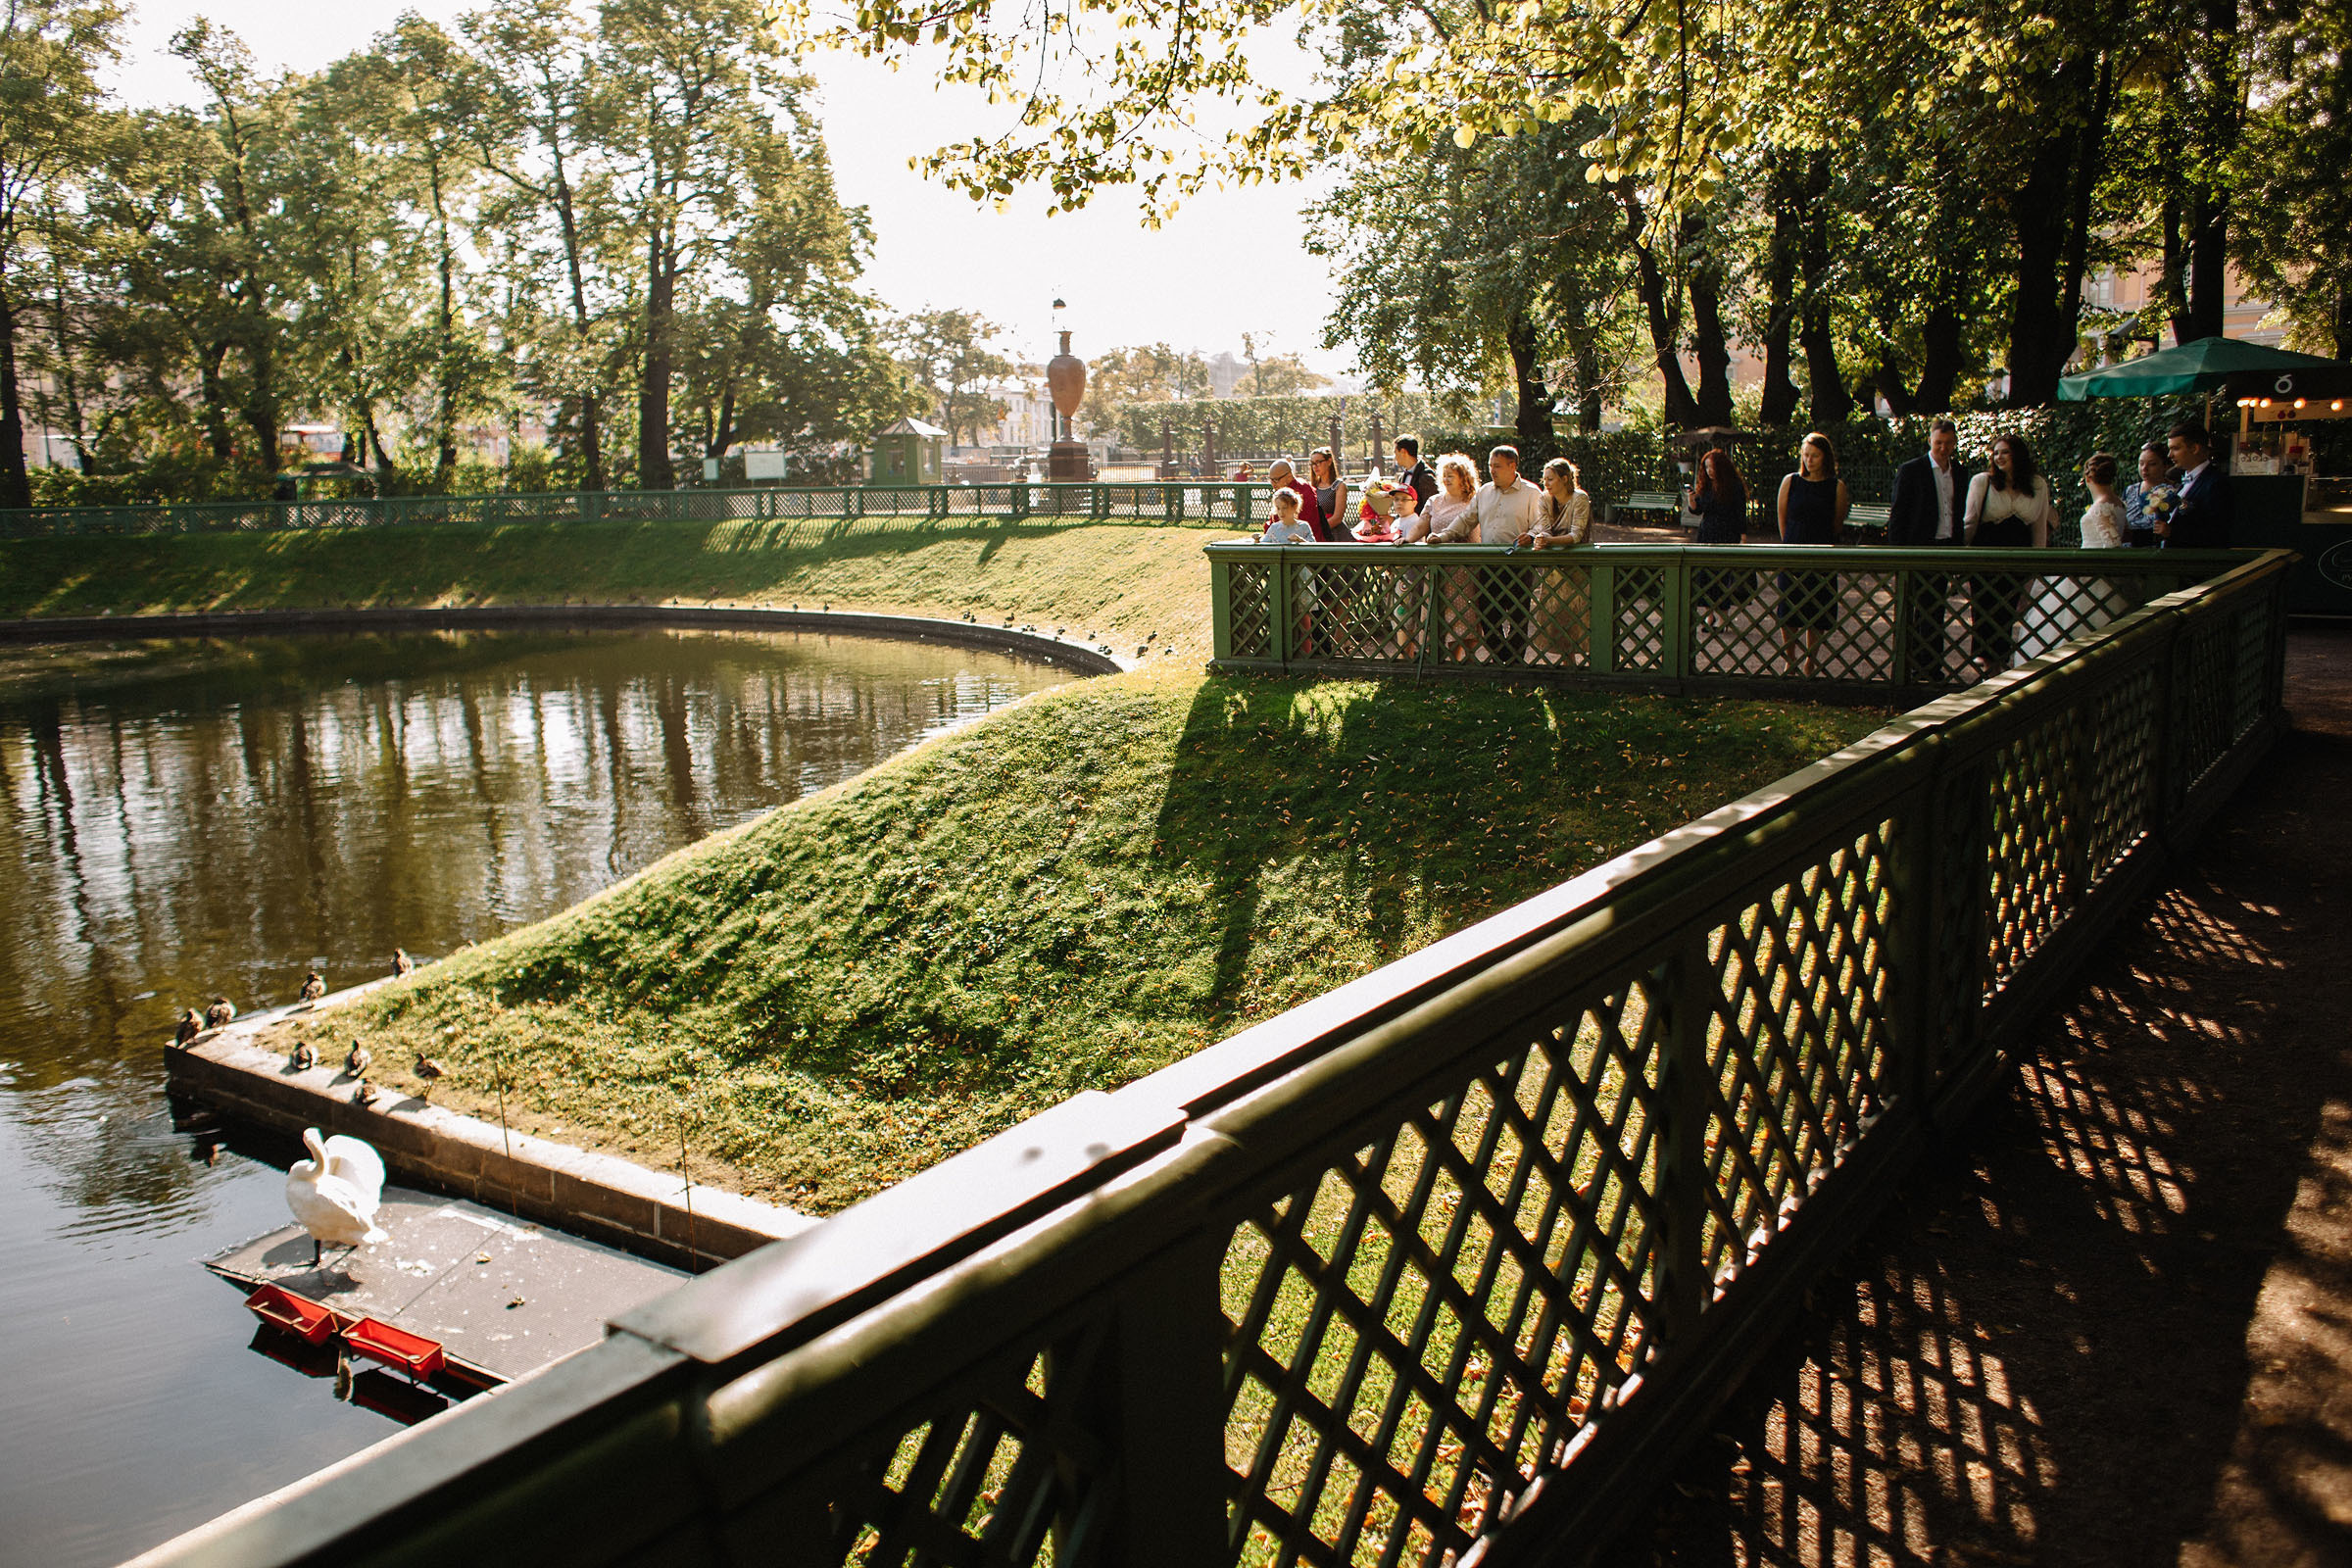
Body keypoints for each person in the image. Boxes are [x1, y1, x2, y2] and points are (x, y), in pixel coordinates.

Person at [1433, 445, 1547, 662]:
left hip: (1518, 564)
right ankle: (1501, 660)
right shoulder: (1484, 492)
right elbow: (1466, 519)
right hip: (1489, 564)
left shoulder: (1531, 493)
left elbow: (1541, 524)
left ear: (1512, 466)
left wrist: (1531, 536)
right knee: (1488, 616)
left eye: (1497, 466)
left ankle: (1513, 664)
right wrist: (1444, 536)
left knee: (1518, 617)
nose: (1492, 470)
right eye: (1490, 466)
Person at [1886, 418, 1972, 684]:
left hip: (1946, 546)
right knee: (1917, 608)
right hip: (1918, 547)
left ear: (1955, 443)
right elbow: (1898, 514)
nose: (1943, 449)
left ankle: (1930, 665)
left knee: (1935, 608)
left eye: (1948, 443)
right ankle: (1915, 666)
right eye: (1938, 443)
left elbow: (1959, 511)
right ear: (1930, 441)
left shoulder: (1960, 472)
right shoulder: (1912, 470)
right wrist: (1896, 554)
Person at [1963, 430, 2055, 671]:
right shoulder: (1983, 481)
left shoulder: (2037, 485)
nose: (1999, 457)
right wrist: (1962, 553)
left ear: (2018, 455)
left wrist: (2037, 561)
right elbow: (1970, 521)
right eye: (1996, 453)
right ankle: (1985, 662)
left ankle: (2000, 660)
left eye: (2005, 452)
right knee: (1984, 606)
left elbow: (2039, 526)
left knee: (2008, 607)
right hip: (1987, 551)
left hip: (2018, 552)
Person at [1775, 431, 1849, 676]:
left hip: (1821, 552)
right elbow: (1782, 518)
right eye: (1806, 455)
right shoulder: (1791, 481)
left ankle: (1810, 660)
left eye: (1814, 456)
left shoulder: (1836, 487)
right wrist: (1789, 544)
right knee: (1788, 610)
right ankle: (1790, 659)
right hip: (1793, 551)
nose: (1809, 460)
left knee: (1817, 610)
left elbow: (1837, 523)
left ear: (1825, 457)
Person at [1522, 457, 1592, 664]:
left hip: (1578, 566)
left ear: (1565, 479)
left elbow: (1576, 535)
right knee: (1558, 618)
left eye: (1551, 479)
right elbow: (1545, 529)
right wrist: (1542, 538)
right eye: (1544, 479)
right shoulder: (1545, 499)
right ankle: (1567, 666)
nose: (1546, 483)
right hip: (1554, 568)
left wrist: (1548, 541)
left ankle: (1587, 668)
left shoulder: (1579, 498)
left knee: (1582, 617)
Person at [1687, 446, 1752, 629]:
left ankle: (1723, 616)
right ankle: (1709, 615)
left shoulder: (1734, 486)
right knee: (1705, 576)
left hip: (1727, 534)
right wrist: (1691, 499)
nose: (1709, 471)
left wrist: (1743, 536)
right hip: (1707, 534)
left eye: (1712, 467)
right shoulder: (1706, 486)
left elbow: (1740, 513)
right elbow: (1698, 510)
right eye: (1706, 467)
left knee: (1722, 576)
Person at [1423, 455, 1481, 660]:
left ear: (1463, 478)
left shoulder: (1474, 501)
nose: (1446, 479)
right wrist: (1407, 539)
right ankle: (1449, 658)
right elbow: (1421, 525)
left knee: (1467, 611)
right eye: (1444, 475)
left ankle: (1468, 658)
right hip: (1440, 566)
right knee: (1444, 612)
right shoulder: (1435, 501)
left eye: (1451, 476)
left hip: (1466, 566)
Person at [2159, 420, 2233, 548]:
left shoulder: (2216, 484)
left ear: (2194, 448)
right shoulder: (2183, 481)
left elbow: (2217, 532)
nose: (2169, 455)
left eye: (2175, 448)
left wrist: (2172, 533)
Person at [2121, 441, 2174, 550]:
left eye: (2152, 464)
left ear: (2165, 466)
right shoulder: (2130, 491)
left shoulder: (2173, 491)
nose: (2144, 468)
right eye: (2141, 463)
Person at [1308, 448, 1348, 542]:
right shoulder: (1312, 486)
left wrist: (1316, 530)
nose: (1315, 466)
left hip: (1335, 536)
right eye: (1312, 463)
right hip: (1315, 536)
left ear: (1329, 461)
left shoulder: (1339, 486)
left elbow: (1337, 518)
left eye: (1318, 462)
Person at [1393, 437, 1437, 514]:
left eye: (1395, 453)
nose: (1395, 457)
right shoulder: (1402, 477)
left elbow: (1432, 509)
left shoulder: (1426, 477)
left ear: (1403, 452)